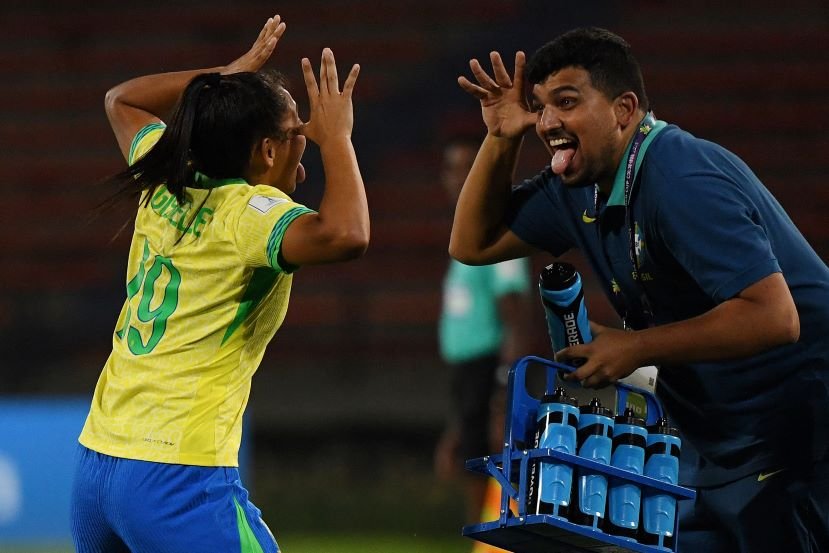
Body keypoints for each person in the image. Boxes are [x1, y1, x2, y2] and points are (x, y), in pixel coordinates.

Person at [450, 26, 828, 552]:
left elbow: (775, 317)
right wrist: (500, 137)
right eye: (539, 107)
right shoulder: (580, 188)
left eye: (566, 101)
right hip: (716, 445)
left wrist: (634, 347)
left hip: (799, 438)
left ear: (624, 109)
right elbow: (473, 243)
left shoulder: (679, 176)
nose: (549, 122)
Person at [71, 15, 368, 553]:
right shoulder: (248, 212)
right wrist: (339, 140)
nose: (306, 139)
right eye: (297, 132)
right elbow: (347, 235)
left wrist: (223, 76)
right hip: (176, 473)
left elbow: (121, 100)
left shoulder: (164, 173)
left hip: (97, 465)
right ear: (268, 151)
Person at [433, 136, 532, 530]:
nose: (456, 178)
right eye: (451, 168)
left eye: (465, 168)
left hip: (487, 364)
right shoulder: (468, 232)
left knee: (484, 456)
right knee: (469, 455)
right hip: (466, 367)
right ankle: (479, 534)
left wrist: (503, 387)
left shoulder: (492, 232)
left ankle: (487, 535)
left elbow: (514, 313)